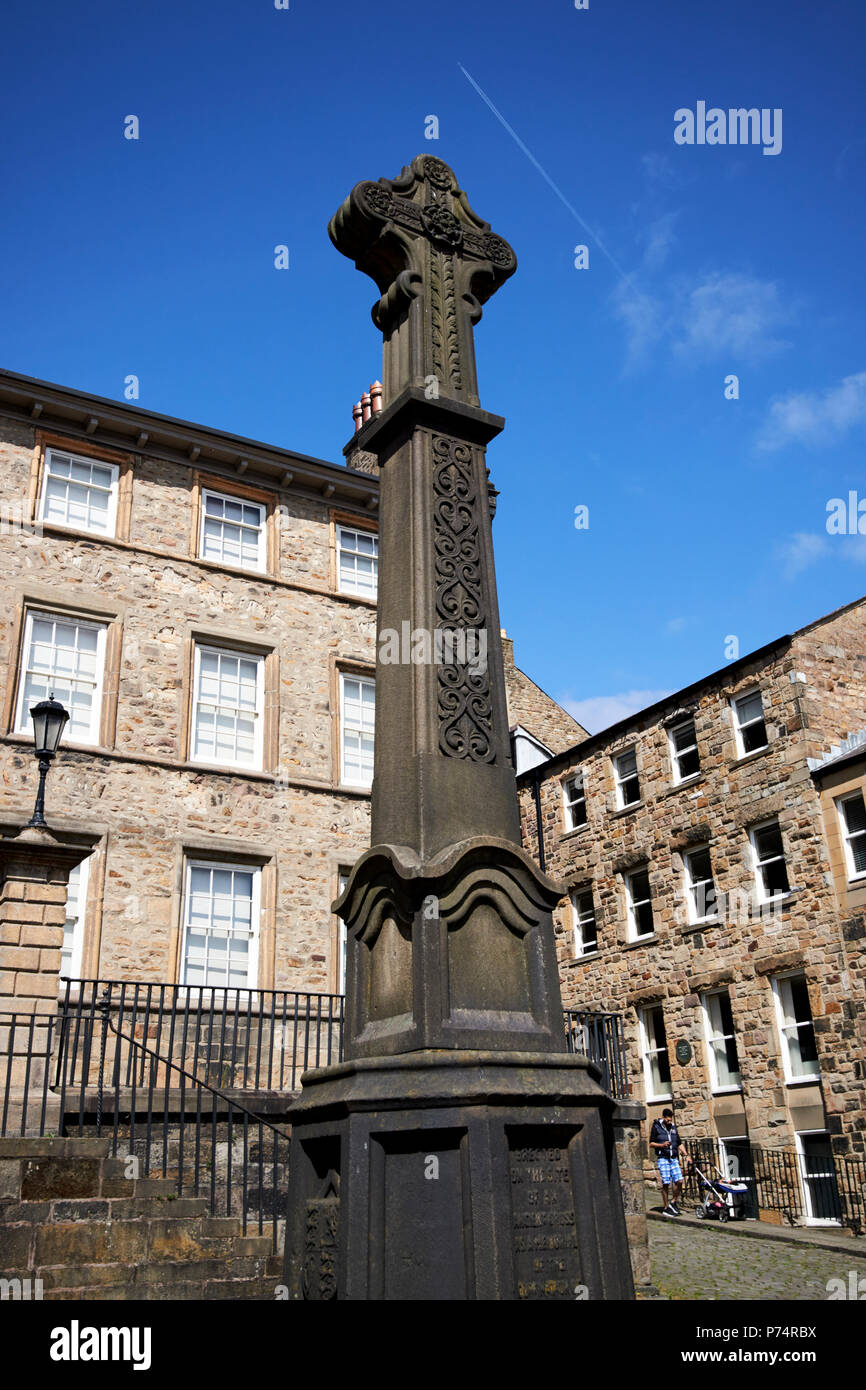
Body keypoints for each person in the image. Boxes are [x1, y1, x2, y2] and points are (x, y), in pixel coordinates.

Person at [649, 1107, 691, 1216]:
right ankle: (666, 1207)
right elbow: (651, 1143)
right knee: (666, 1183)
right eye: (667, 1119)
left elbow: (679, 1143)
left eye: (670, 1119)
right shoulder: (656, 1126)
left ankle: (673, 1202)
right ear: (663, 1117)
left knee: (680, 1181)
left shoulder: (673, 1127)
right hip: (663, 1158)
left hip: (673, 1158)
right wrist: (662, 1145)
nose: (669, 1121)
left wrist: (686, 1155)